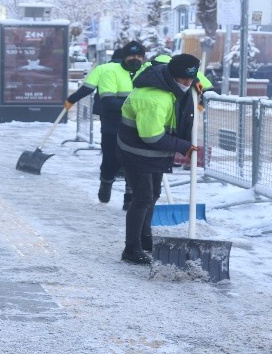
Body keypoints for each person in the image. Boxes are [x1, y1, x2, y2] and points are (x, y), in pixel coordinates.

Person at [117, 54, 200, 264]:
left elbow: (198, 81)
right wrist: (183, 147)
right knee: (142, 197)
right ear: (173, 76)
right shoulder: (154, 99)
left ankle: (145, 240)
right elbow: (151, 136)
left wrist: (200, 89)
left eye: (191, 79)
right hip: (138, 152)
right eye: (184, 80)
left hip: (152, 154)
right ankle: (131, 248)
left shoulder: (169, 83)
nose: (188, 83)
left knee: (153, 194)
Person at [97, 41, 146, 208]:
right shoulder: (111, 72)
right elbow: (108, 100)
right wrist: (135, 108)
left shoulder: (146, 72)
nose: (136, 59)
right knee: (111, 159)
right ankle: (106, 182)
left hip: (137, 126)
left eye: (139, 56)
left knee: (133, 161)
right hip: (113, 123)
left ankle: (129, 196)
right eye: (132, 55)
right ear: (124, 56)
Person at [64, 48, 123, 116]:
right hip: (126, 110)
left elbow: (87, 89)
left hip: (104, 109)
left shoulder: (101, 68)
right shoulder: (132, 70)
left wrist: (71, 100)